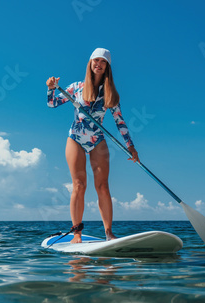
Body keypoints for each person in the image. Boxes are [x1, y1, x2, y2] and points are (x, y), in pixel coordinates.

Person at [46, 48, 139, 243]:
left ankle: (109, 233)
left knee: (103, 186)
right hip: (76, 139)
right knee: (79, 185)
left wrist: (131, 146)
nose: (99, 64)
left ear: (107, 67)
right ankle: (76, 233)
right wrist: (51, 88)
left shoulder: (110, 94)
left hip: (97, 140)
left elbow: (120, 122)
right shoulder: (76, 87)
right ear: (90, 63)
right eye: (96, 60)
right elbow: (52, 104)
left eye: (103, 62)